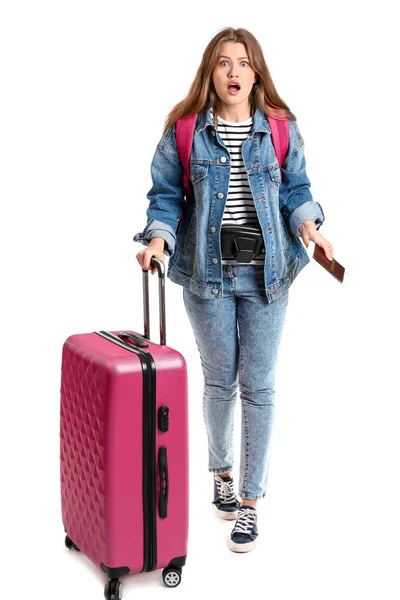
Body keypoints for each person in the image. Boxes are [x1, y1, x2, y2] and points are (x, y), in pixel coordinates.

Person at [134, 27, 334, 553]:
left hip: (269, 275)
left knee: (260, 386)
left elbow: (297, 189)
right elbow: (165, 198)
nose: (233, 72)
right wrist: (158, 240)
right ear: (210, 72)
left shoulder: (279, 128)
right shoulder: (185, 131)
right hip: (208, 276)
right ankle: (221, 472)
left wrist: (311, 229)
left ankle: (250, 503)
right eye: (223, 63)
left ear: (256, 72)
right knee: (221, 384)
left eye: (242, 63)